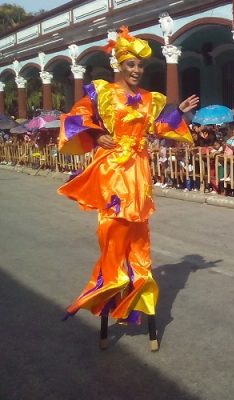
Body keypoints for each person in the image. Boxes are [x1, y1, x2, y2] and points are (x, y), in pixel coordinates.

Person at [57, 26, 199, 350]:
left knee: (139, 239)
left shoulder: (151, 99)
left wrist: (178, 112)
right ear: (119, 65)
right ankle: (110, 292)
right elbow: (76, 116)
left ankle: (139, 301)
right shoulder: (102, 92)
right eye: (131, 65)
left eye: (140, 66)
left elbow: (159, 127)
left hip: (138, 172)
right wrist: (95, 134)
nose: (136, 71)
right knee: (111, 237)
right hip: (111, 172)